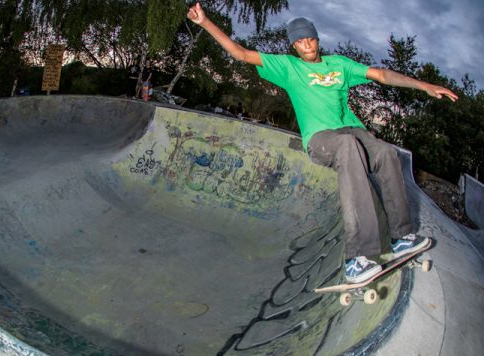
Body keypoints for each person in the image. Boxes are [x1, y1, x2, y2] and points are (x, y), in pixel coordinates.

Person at [187, 3, 458, 283]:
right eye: (300, 40)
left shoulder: (340, 64)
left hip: (353, 130)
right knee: (346, 146)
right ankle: (358, 257)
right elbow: (240, 54)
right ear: (294, 46)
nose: (306, 44)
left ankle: (401, 236)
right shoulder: (288, 66)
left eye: (310, 38)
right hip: (321, 138)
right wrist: (205, 22)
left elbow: (382, 75)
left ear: (318, 39)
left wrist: (423, 85)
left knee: (387, 153)